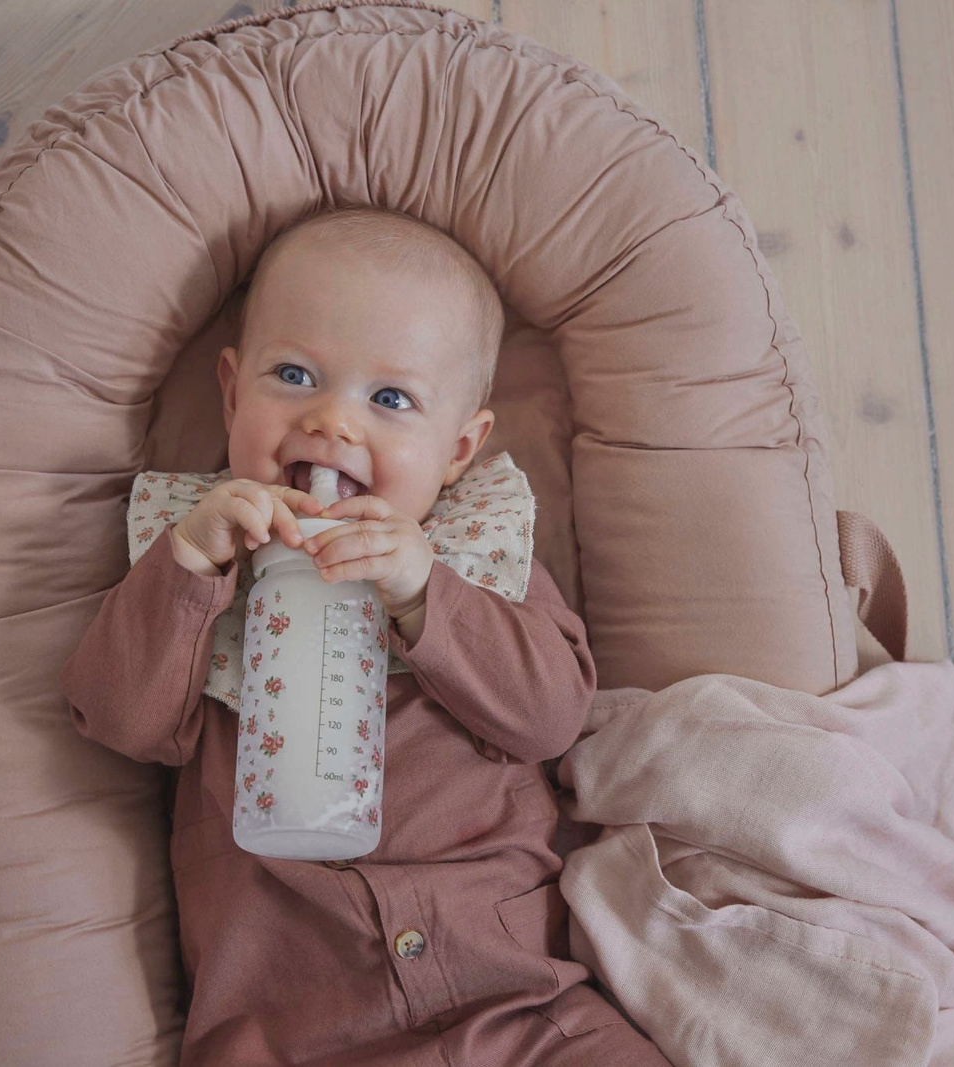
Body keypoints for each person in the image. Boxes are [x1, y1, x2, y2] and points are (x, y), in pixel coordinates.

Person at [59, 206, 672, 1066]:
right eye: (294, 375)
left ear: (457, 449)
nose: (333, 423)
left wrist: (424, 593)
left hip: (515, 1009)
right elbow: (117, 717)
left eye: (390, 399)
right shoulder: (201, 549)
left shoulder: (475, 554)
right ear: (232, 393)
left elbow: (549, 717)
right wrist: (191, 564)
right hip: (289, 1029)